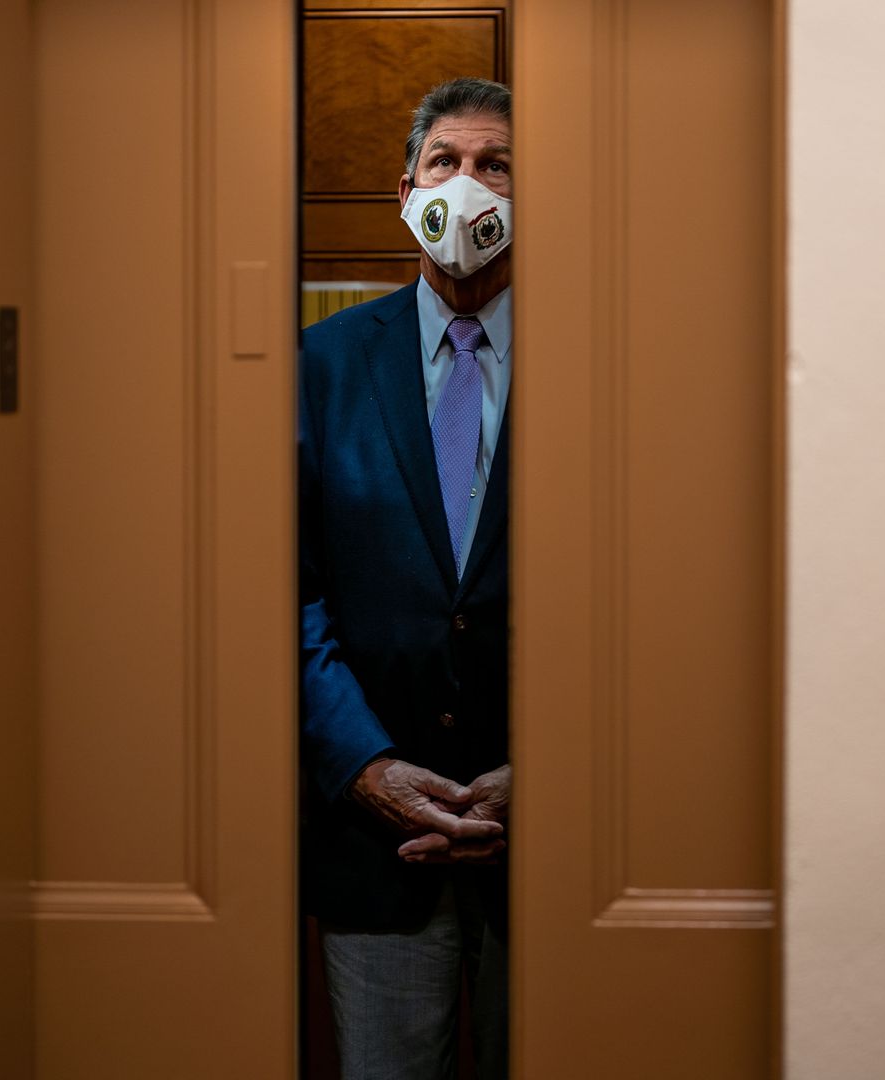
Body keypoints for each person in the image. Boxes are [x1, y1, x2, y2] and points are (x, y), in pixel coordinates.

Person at [298, 77, 514, 1080]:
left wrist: (560, 778)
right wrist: (366, 768)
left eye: (495, 166)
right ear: (405, 191)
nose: (466, 189)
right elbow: (283, 593)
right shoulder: (321, 366)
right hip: (372, 840)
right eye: (446, 165)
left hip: (556, 853)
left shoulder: (601, 357)